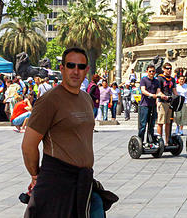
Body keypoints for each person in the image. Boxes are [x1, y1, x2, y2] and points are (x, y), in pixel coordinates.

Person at [21, 47, 116, 217]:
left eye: (81, 67)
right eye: (71, 65)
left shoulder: (86, 98)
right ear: (62, 68)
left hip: (84, 181)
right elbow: (28, 145)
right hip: (57, 182)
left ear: (87, 70)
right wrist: (35, 175)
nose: (76, 71)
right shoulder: (49, 100)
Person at [155, 62, 176, 143]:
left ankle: (167, 141)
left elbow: (174, 91)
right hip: (162, 102)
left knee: (168, 123)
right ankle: (160, 141)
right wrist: (163, 96)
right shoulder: (160, 78)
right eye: (167, 68)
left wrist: (179, 98)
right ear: (163, 69)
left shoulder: (172, 79)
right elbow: (158, 91)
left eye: (170, 68)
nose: (169, 70)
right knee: (160, 122)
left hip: (170, 103)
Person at [138, 63, 159, 144]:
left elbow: (158, 90)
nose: (151, 73)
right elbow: (143, 90)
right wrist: (151, 95)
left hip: (153, 105)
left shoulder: (156, 81)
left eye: (153, 71)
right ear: (147, 71)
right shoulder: (144, 80)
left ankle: (149, 141)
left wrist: (160, 96)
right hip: (144, 105)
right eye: (150, 71)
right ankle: (140, 141)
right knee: (143, 125)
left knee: (151, 125)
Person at [175, 69, 187, 134]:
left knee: (183, 116)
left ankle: (181, 129)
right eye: (181, 79)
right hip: (178, 103)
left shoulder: (186, 86)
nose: (182, 80)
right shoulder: (176, 86)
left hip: (185, 102)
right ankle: (177, 126)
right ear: (178, 80)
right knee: (177, 116)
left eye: (183, 79)